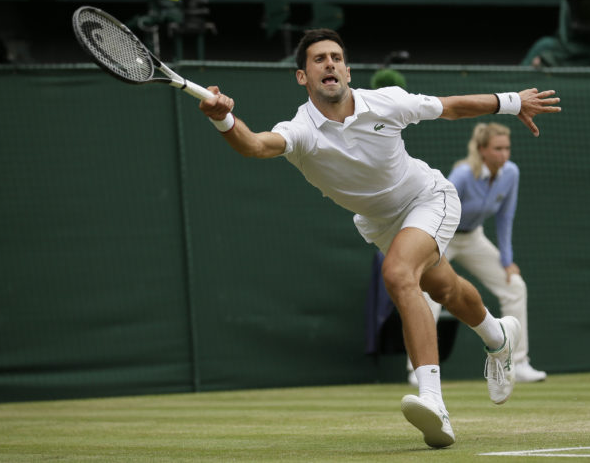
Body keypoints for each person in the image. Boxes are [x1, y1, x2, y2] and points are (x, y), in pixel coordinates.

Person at [198, 29, 561, 449]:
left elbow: (451, 107)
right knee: (443, 287)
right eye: (319, 59)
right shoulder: (300, 131)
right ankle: (499, 337)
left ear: (348, 71)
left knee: (398, 273)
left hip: (429, 198)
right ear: (303, 77)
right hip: (381, 223)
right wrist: (222, 117)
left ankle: (433, 400)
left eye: (336, 57)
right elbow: (255, 145)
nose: (329, 64)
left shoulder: (385, 101)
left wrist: (512, 102)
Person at [406, 122, 546, 386]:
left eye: (507, 148)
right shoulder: (462, 174)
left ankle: (519, 362)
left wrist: (507, 260)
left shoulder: (511, 173)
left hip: (473, 237)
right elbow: (441, 207)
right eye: (497, 149)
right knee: (429, 294)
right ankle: (419, 369)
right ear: (482, 150)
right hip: (442, 235)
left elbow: (506, 216)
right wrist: (434, 252)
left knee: (514, 286)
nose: (504, 154)